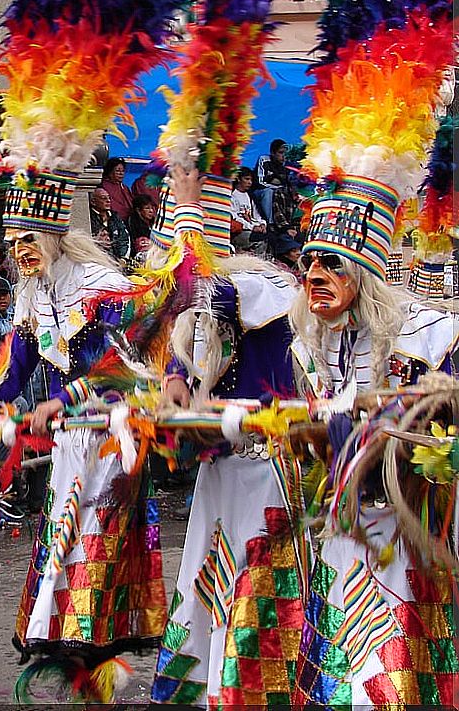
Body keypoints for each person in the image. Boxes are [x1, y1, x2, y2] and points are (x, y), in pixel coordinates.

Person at [0, 166, 167, 690]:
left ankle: (93, 658)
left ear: (55, 234)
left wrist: (61, 399)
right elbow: (5, 375)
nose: (20, 251)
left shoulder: (101, 286)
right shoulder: (30, 297)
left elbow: (122, 366)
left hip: (115, 436)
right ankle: (80, 658)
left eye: (28, 239)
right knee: (64, 537)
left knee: (95, 541)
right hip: (70, 442)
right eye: (13, 243)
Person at [289, 179, 459, 705]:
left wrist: (397, 422)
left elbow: (444, 437)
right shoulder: (311, 344)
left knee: (398, 673)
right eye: (310, 262)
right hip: (343, 534)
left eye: (332, 264)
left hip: (410, 537)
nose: (315, 275)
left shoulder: (431, 337)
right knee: (340, 670)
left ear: (364, 274)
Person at [149, 168, 305, 707]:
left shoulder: (259, 289)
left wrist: (189, 203)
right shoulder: (203, 305)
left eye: (182, 229)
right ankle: (211, 691)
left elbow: (197, 285)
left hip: (268, 474)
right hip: (220, 476)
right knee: (207, 586)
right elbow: (188, 321)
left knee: (251, 593)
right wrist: (173, 379)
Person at [229, 166, 267, 252]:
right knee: (258, 241)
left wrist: (262, 224)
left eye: (251, 180)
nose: (250, 182)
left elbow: (257, 215)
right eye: (247, 179)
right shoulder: (231, 196)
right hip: (240, 231)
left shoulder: (251, 196)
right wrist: (252, 227)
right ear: (238, 179)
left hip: (253, 227)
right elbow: (234, 217)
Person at [89, 187, 130, 260]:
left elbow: (124, 239)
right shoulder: (88, 218)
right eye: (103, 198)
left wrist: (122, 258)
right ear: (93, 201)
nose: (108, 201)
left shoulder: (115, 217)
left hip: (118, 259)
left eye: (109, 198)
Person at [99, 156, 133, 221]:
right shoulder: (104, 186)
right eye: (117, 171)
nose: (121, 173)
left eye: (123, 171)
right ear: (109, 172)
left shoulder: (124, 187)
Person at [127, 193, 157, 258]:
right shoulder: (133, 223)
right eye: (147, 208)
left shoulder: (154, 222)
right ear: (138, 210)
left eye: (152, 208)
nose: (151, 211)